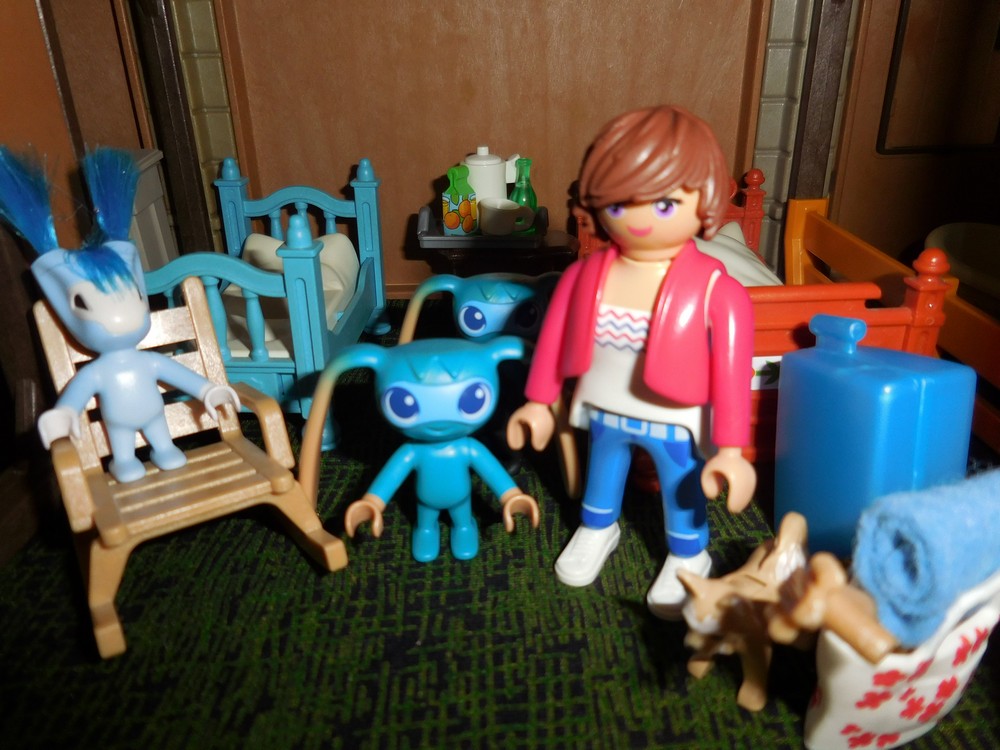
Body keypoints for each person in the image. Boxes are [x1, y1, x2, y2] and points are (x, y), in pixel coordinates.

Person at [507, 105, 756, 618]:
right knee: (603, 470)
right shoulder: (584, 275)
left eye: (665, 204)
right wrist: (537, 401)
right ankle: (598, 527)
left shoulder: (717, 289)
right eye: (621, 204)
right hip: (605, 406)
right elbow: (552, 340)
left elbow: (733, 373)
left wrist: (731, 449)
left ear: (706, 200)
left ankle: (688, 552)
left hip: (675, 418)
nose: (639, 220)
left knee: (681, 486)